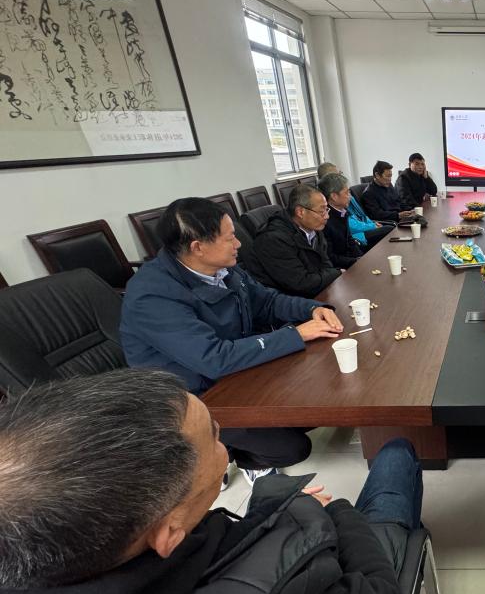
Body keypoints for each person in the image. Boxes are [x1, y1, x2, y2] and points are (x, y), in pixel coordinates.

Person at [0, 369, 425, 594]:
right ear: (168, 531)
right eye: (214, 437)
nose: (224, 445)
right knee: (396, 455)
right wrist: (339, 513)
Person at [120, 197, 343, 483]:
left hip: (235, 374)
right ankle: (227, 456)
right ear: (198, 247)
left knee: (316, 406)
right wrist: (296, 334)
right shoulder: (152, 296)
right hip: (192, 398)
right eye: (230, 238)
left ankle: (229, 444)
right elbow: (214, 358)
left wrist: (312, 309)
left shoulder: (222, 268)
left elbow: (267, 301)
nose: (238, 244)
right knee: (292, 448)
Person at [248, 184, 343, 299]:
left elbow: (326, 264)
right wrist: (337, 273)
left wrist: (332, 274)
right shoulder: (273, 239)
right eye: (321, 211)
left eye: (326, 209)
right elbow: (301, 284)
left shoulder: (313, 227)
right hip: (285, 301)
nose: (327, 216)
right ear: (300, 212)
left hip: (315, 291)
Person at [317, 172, 364, 269]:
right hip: (340, 268)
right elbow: (330, 257)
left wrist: (361, 258)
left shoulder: (342, 212)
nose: (350, 196)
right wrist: (355, 261)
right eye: (347, 193)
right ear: (334, 196)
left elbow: (350, 240)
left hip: (350, 261)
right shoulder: (325, 220)